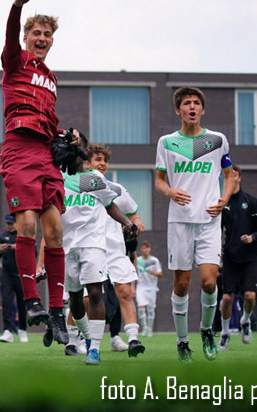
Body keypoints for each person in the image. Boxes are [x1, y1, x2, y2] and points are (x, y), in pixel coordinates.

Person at [0, 0, 70, 344]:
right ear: (27, 38)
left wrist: (66, 138)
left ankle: (57, 314)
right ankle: (31, 302)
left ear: (51, 41)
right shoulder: (16, 61)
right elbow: (9, 36)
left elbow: (50, 118)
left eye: (47, 35)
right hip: (19, 148)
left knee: (55, 232)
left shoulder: (51, 78)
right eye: (36, 33)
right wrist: (16, 7)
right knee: (26, 224)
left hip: (45, 153)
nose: (41, 38)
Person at [155, 86, 235, 363]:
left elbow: (230, 175)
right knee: (182, 284)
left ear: (202, 109)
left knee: (210, 282)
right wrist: (170, 192)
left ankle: (206, 332)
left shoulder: (217, 140)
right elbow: (159, 180)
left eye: (196, 103)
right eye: (187, 103)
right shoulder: (166, 142)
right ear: (178, 111)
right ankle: (182, 342)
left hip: (210, 220)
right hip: (179, 221)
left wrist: (224, 199)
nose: (192, 107)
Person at [59, 142, 133, 365]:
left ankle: (94, 349)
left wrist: (128, 222)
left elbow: (110, 205)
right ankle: (87, 336)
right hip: (67, 246)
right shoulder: (58, 177)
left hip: (93, 242)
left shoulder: (96, 179)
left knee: (94, 293)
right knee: (74, 298)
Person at [85, 143, 146, 357]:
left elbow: (134, 214)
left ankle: (133, 339)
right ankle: (81, 340)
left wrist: (137, 224)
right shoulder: (78, 186)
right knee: (89, 298)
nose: (102, 163)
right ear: (87, 163)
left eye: (105, 160)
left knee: (125, 292)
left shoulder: (118, 189)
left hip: (115, 249)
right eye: (97, 159)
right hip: (90, 249)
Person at [218, 164, 257, 351]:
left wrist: (252, 237)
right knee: (228, 298)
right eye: (228, 175)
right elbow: (215, 230)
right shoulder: (222, 203)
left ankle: (246, 322)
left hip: (250, 257)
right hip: (230, 257)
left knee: (249, 295)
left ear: (239, 178)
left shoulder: (253, 202)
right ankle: (224, 334)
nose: (232, 177)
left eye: (235, 175)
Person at [0, 214, 29, 343]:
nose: (10, 226)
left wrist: (18, 248)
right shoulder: (3, 236)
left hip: (21, 274)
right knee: (7, 302)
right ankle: (7, 330)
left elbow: (33, 253)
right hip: (6, 274)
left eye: (12, 223)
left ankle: (23, 330)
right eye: (8, 224)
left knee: (22, 303)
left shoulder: (24, 236)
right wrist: (1, 250)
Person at [136, 241, 163, 337]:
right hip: (141, 287)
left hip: (152, 288)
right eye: (143, 248)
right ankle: (144, 328)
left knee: (151, 309)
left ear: (149, 249)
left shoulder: (154, 260)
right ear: (141, 250)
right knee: (141, 306)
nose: (145, 250)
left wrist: (154, 273)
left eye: (147, 248)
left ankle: (150, 329)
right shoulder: (137, 260)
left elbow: (160, 273)